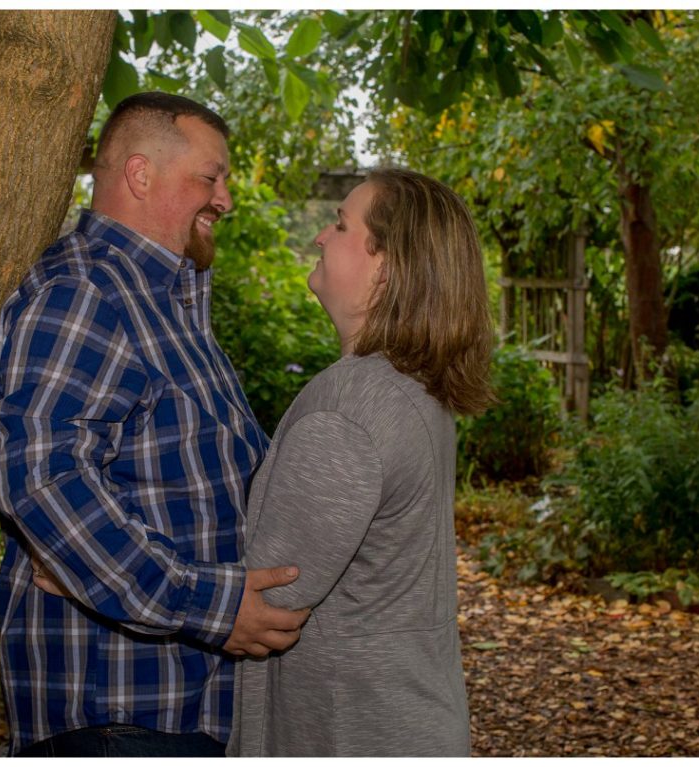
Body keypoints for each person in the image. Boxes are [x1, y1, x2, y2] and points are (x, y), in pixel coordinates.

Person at [0, 92, 309, 758]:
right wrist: (209, 606)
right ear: (141, 175)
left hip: (173, 709)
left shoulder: (166, 302)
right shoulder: (86, 291)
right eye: (210, 177)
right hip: (116, 715)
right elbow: (43, 483)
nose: (224, 198)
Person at [227, 168, 495, 757]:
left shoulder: (350, 411)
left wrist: (103, 575)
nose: (322, 236)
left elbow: (266, 603)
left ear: (388, 265)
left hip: (350, 731)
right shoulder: (410, 387)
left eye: (342, 224)